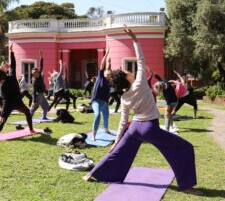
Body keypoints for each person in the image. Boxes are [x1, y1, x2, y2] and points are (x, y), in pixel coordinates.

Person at [83, 27, 201, 195]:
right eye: (125, 71)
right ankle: (187, 186)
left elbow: (123, 122)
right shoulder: (139, 83)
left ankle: (93, 174)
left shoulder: (124, 97)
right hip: (148, 127)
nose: (128, 70)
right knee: (185, 148)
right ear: (127, 78)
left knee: (118, 151)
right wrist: (135, 39)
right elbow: (141, 60)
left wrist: (117, 142)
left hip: (134, 128)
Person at [0, 44, 34, 140]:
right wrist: (11, 51)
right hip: (18, 102)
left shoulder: (1, 83)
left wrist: (3, 113)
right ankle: (31, 130)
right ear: (5, 73)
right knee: (28, 113)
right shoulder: (12, 77)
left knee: (2, 120)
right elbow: (13, 65)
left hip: (8, 104)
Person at [90, 47, 111, 141]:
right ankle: (94, 135)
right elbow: (102, 64)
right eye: (107, 73)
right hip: (96, 101)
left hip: (104, 102)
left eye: (110, 74)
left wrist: (110, 63)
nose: (108, 74)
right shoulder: (100, 77)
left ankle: (106, 130)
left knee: (106, 115)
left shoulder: (108, 82)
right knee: (97, 115)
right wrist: (106, 54)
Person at [30, 51, 49, 119]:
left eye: (37, 72)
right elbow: (34, 92)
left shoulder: (39, 74)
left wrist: (41, 57)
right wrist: (34, 100)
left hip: (41, 94)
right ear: (34, 74)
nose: (37, 73)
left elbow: (41, 66)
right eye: (36, 73)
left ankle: (44, 117)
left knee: (46, 106)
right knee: (34, 108)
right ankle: (29, 118)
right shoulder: (35, 81)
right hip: (38, 95)